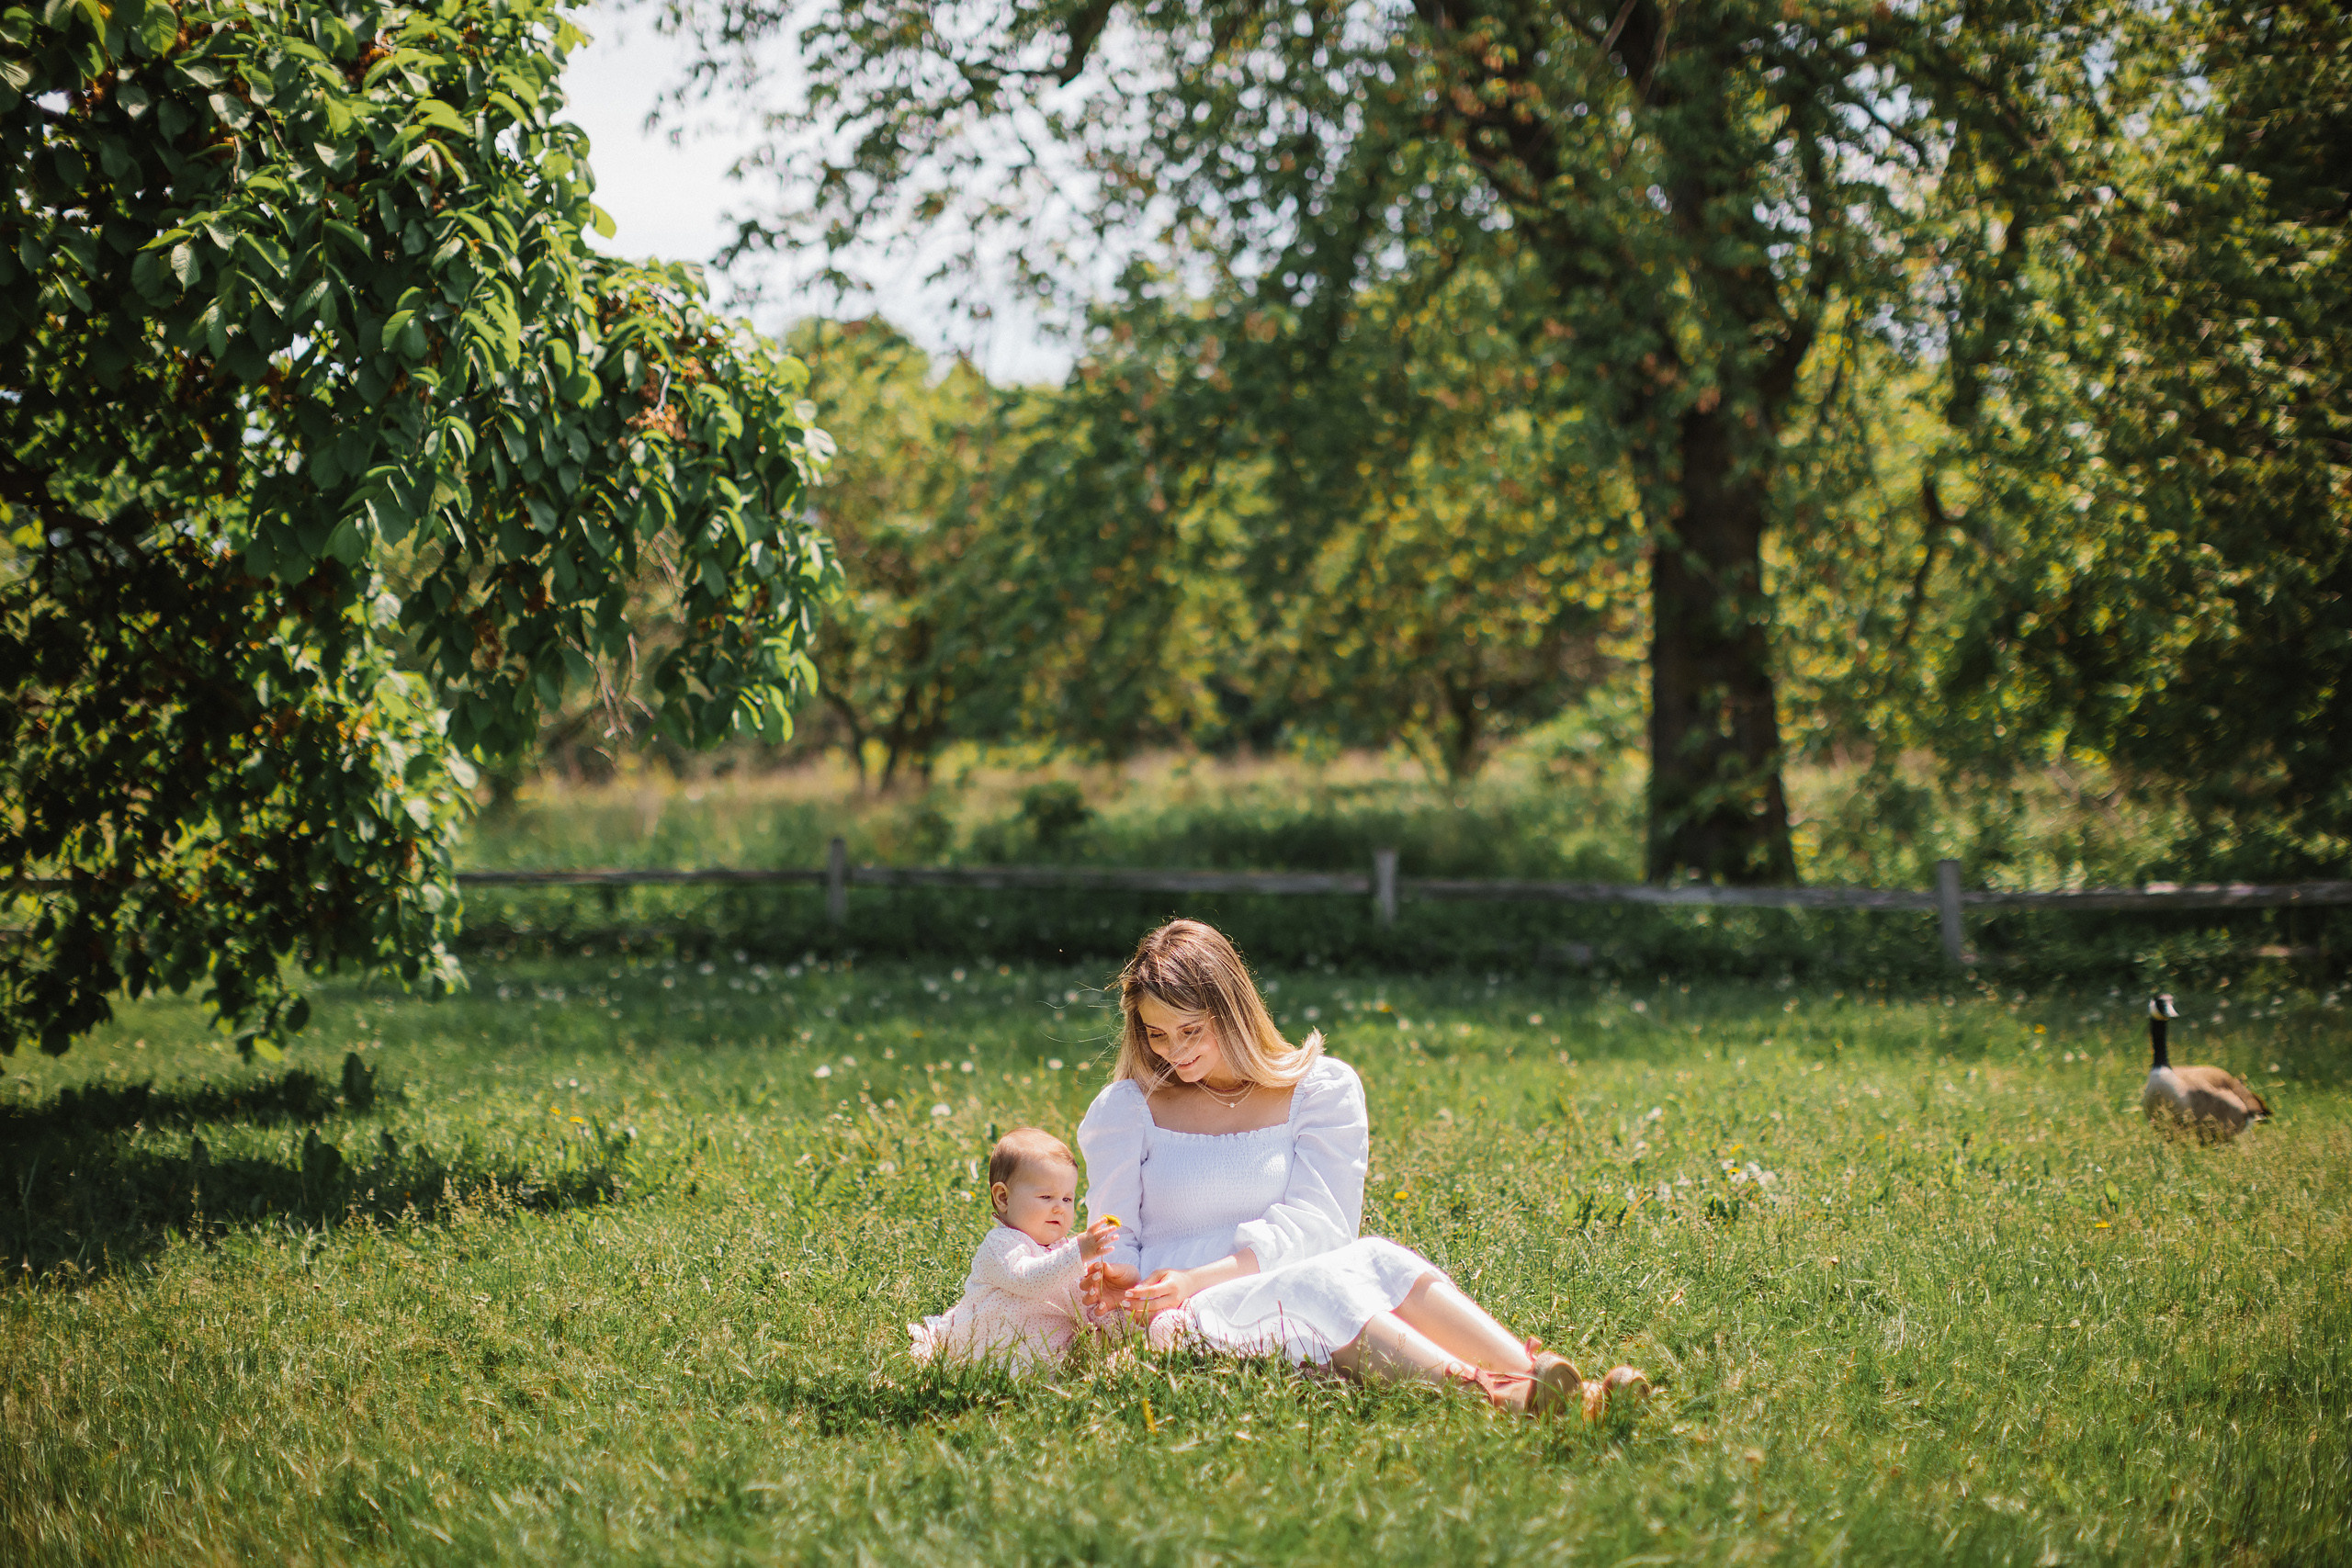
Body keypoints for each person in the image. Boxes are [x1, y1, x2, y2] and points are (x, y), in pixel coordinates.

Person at [1078, 919, 1646, 1418]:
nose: (1173, 1051)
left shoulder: (1321, 1089)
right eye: (1157, 1033)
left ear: (1231, 1010)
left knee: (1377, 1256)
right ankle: (1502, 1398)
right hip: (1182, 1309)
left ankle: (1543, 1375)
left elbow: (1322, 1226)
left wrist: (1205, 1274)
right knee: (1322, 1285)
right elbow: (1113, 1240)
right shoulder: (1128, 1111)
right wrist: (1121, 1280)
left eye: (1190, 1029)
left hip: (1276, 1275)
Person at [909, 1126, 1123, 1371]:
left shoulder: (1062, 1252)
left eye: (1067, 1199)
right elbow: (1029, 1278)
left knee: (1099, 1338)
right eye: (1046, 1197)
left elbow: (1078, 1301)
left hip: (1045, 1353)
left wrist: (1104, 1297)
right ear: (1003, 1198)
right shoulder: (1001, 1246)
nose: (1060, 1208)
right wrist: (1078, 1252)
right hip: (988, 1352)